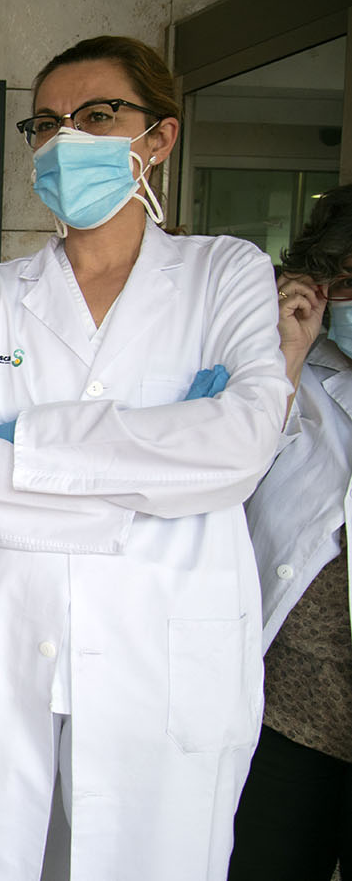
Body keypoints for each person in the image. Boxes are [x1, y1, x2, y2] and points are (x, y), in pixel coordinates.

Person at [0, 36, 291, 881]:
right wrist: (152, 475)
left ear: (157, 138)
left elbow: (240, 445)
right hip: (6, 635)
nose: (63, 138)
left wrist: (31, 441)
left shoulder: (224, 273)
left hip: (161, 641)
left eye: (96, 115)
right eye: (45, 123)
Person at [229, 183, 352, 880]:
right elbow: (226, 483)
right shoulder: (292, 375)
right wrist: (284, 359)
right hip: (291, 705)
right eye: (345, 279)